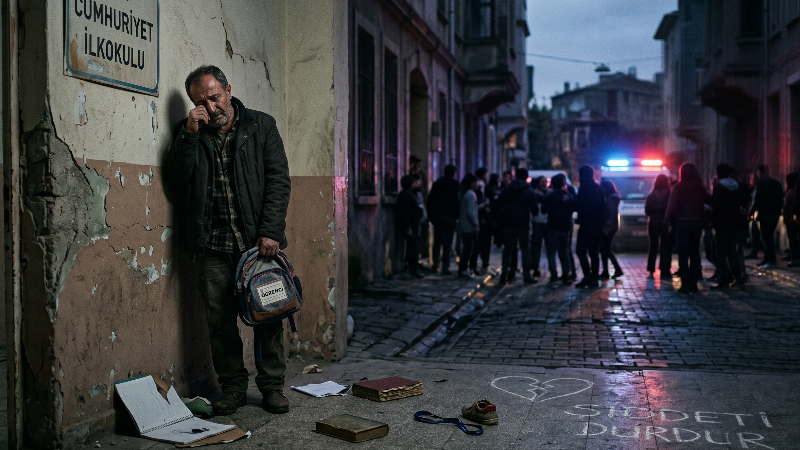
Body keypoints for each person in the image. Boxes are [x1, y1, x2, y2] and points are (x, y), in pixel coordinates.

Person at [166, 65, 291, 415]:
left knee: (269, 315)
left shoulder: (261, 125)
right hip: (213, 245)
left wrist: (271, 231)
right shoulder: (191, 132)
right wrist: (190, 133)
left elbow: (278, 180)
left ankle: (271, 387)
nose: (211, 106)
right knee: (220, 323)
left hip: (258, 244)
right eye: (201, 102)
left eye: (215, 97)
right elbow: (178, 179)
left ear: (228, 90)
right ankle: (233, 388)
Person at [665, 163, 711, 294]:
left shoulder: (678, 187)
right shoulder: (699, 187)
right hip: (696, 223)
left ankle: (685, 283)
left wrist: (666, 221)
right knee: (695, 253)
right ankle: (694, 283)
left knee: (683, 254)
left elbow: (671, 205)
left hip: (682, 223)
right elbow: (710, 201)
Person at [497, 168, 539, 284]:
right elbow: (535, 209)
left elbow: (499, 204)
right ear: (526, 177)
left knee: (507, 250)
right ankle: (526, 275)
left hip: (509, 223)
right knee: (525, 250)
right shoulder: (529, 191)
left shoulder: (507, 189)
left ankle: (504, 273)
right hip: (523, 224)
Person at [710, 164, 747, 289]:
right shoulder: (737, 186)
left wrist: (712, 221)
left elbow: (716, 206)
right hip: (735, 223)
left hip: (721, 224)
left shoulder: (719, 186)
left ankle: (724, 278)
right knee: (732, 251)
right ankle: (738, 277)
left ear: (718, 173)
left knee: (720, 252)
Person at [573, 165, 606, 288]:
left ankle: (587, 276)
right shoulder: (598, 188)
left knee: (581, 251)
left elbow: (577, 205)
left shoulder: (583, 188)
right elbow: (603, 206)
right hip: (597, 224)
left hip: (586, 224)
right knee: (593, 252)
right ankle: (594, 277)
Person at [749, 164, 784, 269]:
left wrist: (751, 212)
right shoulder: (776, 183)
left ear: (760, 172)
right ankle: (767, 259)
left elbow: (758, 199)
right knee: (769, 236)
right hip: (775, 213)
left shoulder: (761, 183)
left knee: (766, 237)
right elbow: (781, 197)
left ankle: (770, 260)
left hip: (765, 213)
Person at [427, 164, 460, 275]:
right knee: (447, 243)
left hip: (438, 216)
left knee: (437, 241)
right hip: (450, 217)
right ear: (454, 174)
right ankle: (445, 267)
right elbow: (458, 202)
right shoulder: (455, 185)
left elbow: (430, 200)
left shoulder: (437, 184)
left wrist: (431, 215)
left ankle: (435, 264)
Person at [541, 174, 574, 283]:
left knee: (551, 252)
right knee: (563, 251)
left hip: (552, 227)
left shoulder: (549, 196)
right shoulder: (567, 196)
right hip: (565, 227)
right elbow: (573, 208)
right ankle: (566, 273)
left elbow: (543, 210)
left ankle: (553, 273)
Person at [645, 174, 673, 279]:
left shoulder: (651, 195)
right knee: (666, 246)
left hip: (653, 222)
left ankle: (651, 268)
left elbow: (647, 210)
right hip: (665, 223)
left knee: (653, 245)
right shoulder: (669, 194)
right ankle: (665, 269)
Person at [397, 174, 424, 278]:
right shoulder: (405, 195)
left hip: (413, 226)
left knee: (414, 247)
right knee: (413, 248)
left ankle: (413, 268)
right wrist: (407, 227)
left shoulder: (410, 194)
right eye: (414, 183)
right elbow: (404, 212)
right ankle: (412, 269)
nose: (415, 185)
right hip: (410, 227)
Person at [599, 178, 623, 280]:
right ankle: (606, 271)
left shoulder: (610, 199)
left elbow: (610, 214)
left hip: (609, 227)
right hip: (612, 227)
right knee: (605, 249)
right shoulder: (614, 197)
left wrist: (606, 228)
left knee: (606, 249)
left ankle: (616, 269)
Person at [457, 174, 480, 278]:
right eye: (476, 182)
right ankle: (464, 269)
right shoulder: (470, 194)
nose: (477, 184)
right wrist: (476, 223)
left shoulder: (463, 193)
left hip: (464, 224)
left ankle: (465, 268)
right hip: (469, 226)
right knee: (470, 248)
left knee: (467, 247)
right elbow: (471, 212)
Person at [409, 155, 430, 259]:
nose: (419, 167)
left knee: (420, 234)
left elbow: (424, 190)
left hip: (420, 207)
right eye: (418, 165)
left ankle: (420, 257)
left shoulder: (421, 176)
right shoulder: (411, 177)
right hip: (415, 209)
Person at [530, 176, 549, 279]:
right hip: (536, 222)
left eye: (545, 181)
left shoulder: (550, 193)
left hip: (547, 222)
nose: (543, 183)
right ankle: (535, 267)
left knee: (548, 246)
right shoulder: (533, 193)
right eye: (541, 181)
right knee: (536, 246)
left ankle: (550, 269)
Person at [784, 172, 799, 267]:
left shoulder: (790, 192)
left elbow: (787, 206)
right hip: (792, 219)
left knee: (793, 239)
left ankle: (795, 259)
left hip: (790, 219)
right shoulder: (795, 192)